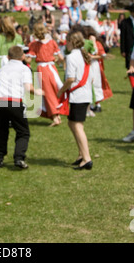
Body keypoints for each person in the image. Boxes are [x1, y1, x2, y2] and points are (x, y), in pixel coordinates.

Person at [0, 46, 42, 169]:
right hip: (15, 102)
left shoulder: (2, 69)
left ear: (8, 57)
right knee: (23, 132)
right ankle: (19, 157)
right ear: (22, 56)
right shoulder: (24, 69)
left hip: (0, 101)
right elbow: (28, 88)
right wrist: (37, 91)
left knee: (2, 130)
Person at [57, 30, 93, 170]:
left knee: (77, 126)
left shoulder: (72, 57)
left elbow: (71, 79)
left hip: (78, 95)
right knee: (73, 124)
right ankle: (81, 155)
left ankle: (86, 158)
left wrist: (61, 90)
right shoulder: (83, 55)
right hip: (84, 94)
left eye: (67, 41)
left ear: (72, 42)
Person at [26, 23, 66, 126]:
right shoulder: (52, 42)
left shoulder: (34, 44)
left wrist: (22, 56)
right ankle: (57, 115)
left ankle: (55, 117)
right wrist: (56, 60)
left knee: (47, 93)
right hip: (52, 68)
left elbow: (29, 59)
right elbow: (61, 58)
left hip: (42, 69)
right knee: (53, 90)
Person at [119, 3, 134, 88]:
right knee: (130, 67)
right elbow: (123, 37)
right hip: (130, 48)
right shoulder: (125, 22)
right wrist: (123, 50)